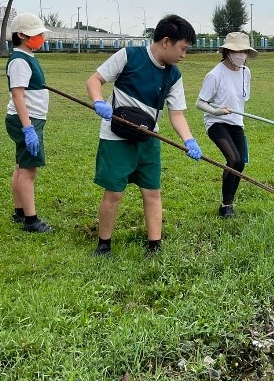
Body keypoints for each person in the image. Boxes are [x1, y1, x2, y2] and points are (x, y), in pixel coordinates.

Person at [86, 14, 203, 258]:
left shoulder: (173, 75)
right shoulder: (130, 56)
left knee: (152, 192)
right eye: (183, 48)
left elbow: (177, 114)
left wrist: (189, 140)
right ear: (166, 42)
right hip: (116, 137)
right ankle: (104, 244)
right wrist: (98, 101)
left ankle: (154, 245)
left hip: (148, 139)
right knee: (114, 192)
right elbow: (95, 80)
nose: (184, 54)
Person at [195, 31, 255, 218]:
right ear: (227, 51)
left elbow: (243, 98)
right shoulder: (215, 74)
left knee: (241, 164)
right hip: (216, 122)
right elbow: (200, 102)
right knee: (233, 159)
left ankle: (228, 202)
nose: (241, 55)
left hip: (237, 122)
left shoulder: (246, 72)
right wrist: (215, 111)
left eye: (245, 51)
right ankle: (226, 206)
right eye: (238, 51)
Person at [5, 12, 53, 233]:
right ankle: (31, 220)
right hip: (27, 120)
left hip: (30, 120)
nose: (41, 38)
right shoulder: (19, 61)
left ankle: (20, 211)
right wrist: (28, 128)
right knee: (29, 171)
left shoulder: (27, 57)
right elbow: (17, 95)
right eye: (37, 34)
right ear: (22, 35)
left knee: (21, 166)